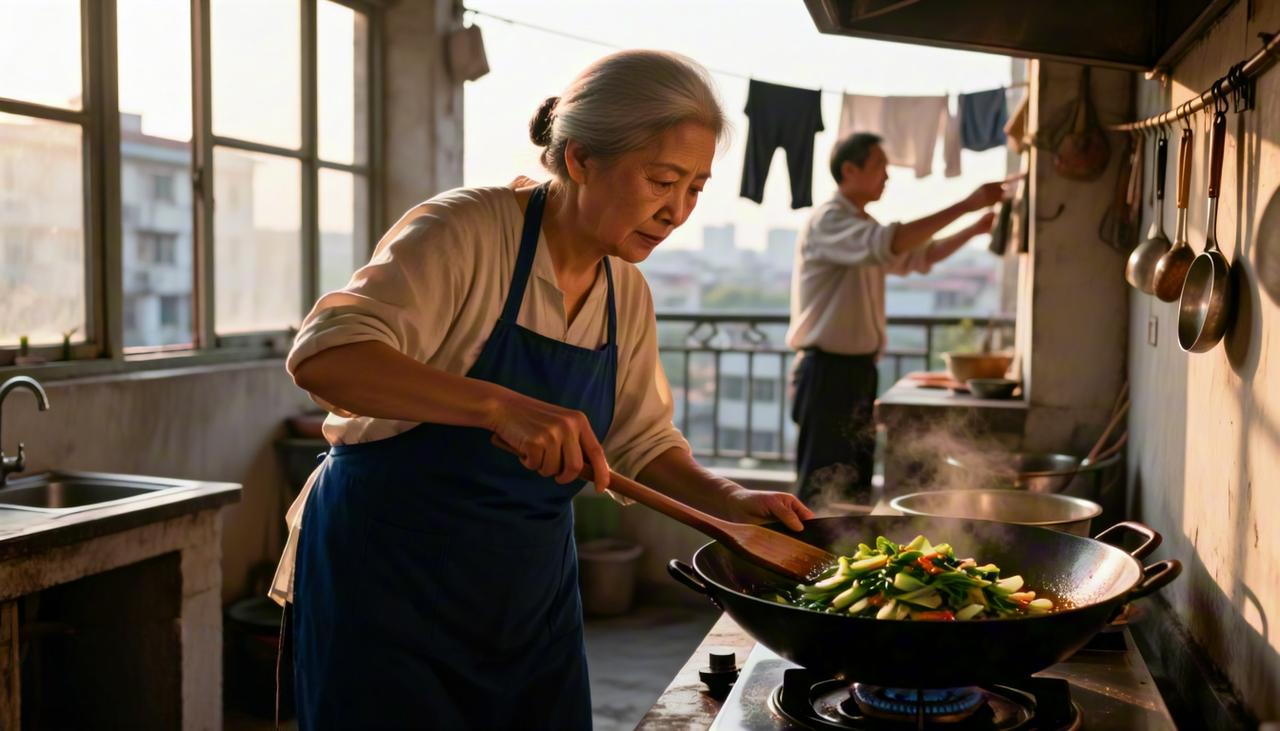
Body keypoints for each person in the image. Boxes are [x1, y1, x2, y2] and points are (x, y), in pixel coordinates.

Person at [269, 50, 814, 730]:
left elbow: (638, 443)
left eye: (695, 188)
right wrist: (498, 405)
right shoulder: (466, 229)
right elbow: (324, 355)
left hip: (526, 590)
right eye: (661, 180)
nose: (676, 210)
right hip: (392, 577)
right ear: (582, 159)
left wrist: (730, 499)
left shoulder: (626, 291)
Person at [787, 132, 1008, 506]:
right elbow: (891, 242)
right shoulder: (830, 221)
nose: (887, 177)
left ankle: (842, 560)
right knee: (822, 486)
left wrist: (973, 228)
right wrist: (967, 205)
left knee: (853, 483)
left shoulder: (860, 225)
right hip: (827, 374)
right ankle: (806, 562)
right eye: (879, 167)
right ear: (849, 170)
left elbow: (918, 256)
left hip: (853, 373)